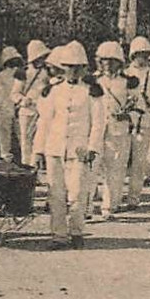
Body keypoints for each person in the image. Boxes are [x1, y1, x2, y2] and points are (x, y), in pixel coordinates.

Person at [33, 41, 105, 251]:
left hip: (79, 150)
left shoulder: (92, 92)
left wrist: (92, 148)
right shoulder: (53, 91)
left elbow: (99, 122)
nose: (73, 71)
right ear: (63, 68)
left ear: (84, 68)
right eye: (69, 67)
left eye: (77, 67)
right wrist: (38, 150)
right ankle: (59, 236)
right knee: (55, 194)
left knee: (77, 193)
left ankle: (76, 232)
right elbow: (44, 121)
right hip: (54, 148)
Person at [92, 41, 135, 218]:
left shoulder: (127, 82)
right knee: (92, 167)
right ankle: (86, 206)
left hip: (117, 129)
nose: (108, 64)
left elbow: (138, 105)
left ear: (119, 61)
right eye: (104, 60)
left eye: (112, 60)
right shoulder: (94, 80)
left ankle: (108, 206)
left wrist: (128, 116)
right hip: (96, 128)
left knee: (115, 168)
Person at [124, 36, 150, 206]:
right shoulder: (125, 73)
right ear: (133, 55)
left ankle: (134, 197)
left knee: (139, 162)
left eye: (146, 54)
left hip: (145, 120)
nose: (143, 58)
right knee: (120, 160)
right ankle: (114, 197)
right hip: (125, 121)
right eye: (140, 54)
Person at [14, 40, 50, 167]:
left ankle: (37, 167)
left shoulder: (48, 71)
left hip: (43, 111)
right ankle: (26, 167)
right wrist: (24, 100)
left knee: (41, 140)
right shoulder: (23, 72)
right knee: (26, 141)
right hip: (27, 111)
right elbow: (15, 94)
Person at [0, 46, 22, 161]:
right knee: (16, 132)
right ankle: (15, 155)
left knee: (6, 132)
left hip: (7, 105)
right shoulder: (21, 73)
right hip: (13, 105)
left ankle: (6, 155)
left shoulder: (0, 76)